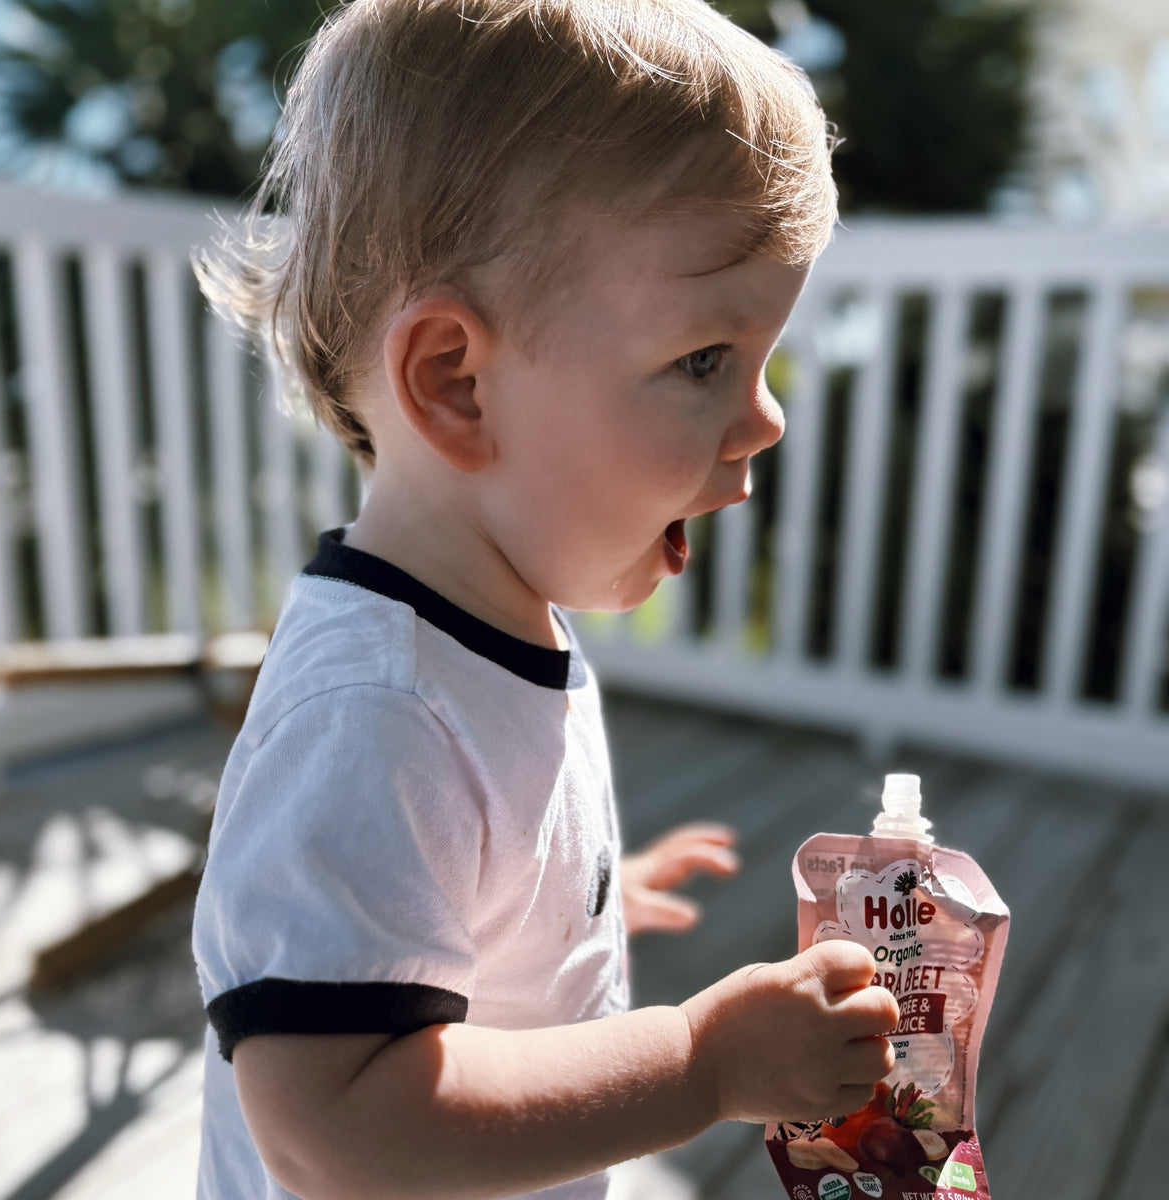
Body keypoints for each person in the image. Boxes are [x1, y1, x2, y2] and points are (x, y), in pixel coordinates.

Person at [191, 1, 900, 1197]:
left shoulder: (491, 626)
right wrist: (696, 1060)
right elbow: (337, 1129)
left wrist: (561, 909)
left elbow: (437, 874)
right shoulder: (376, 710)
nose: (767, 417)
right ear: (457, 383)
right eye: (703, 360)